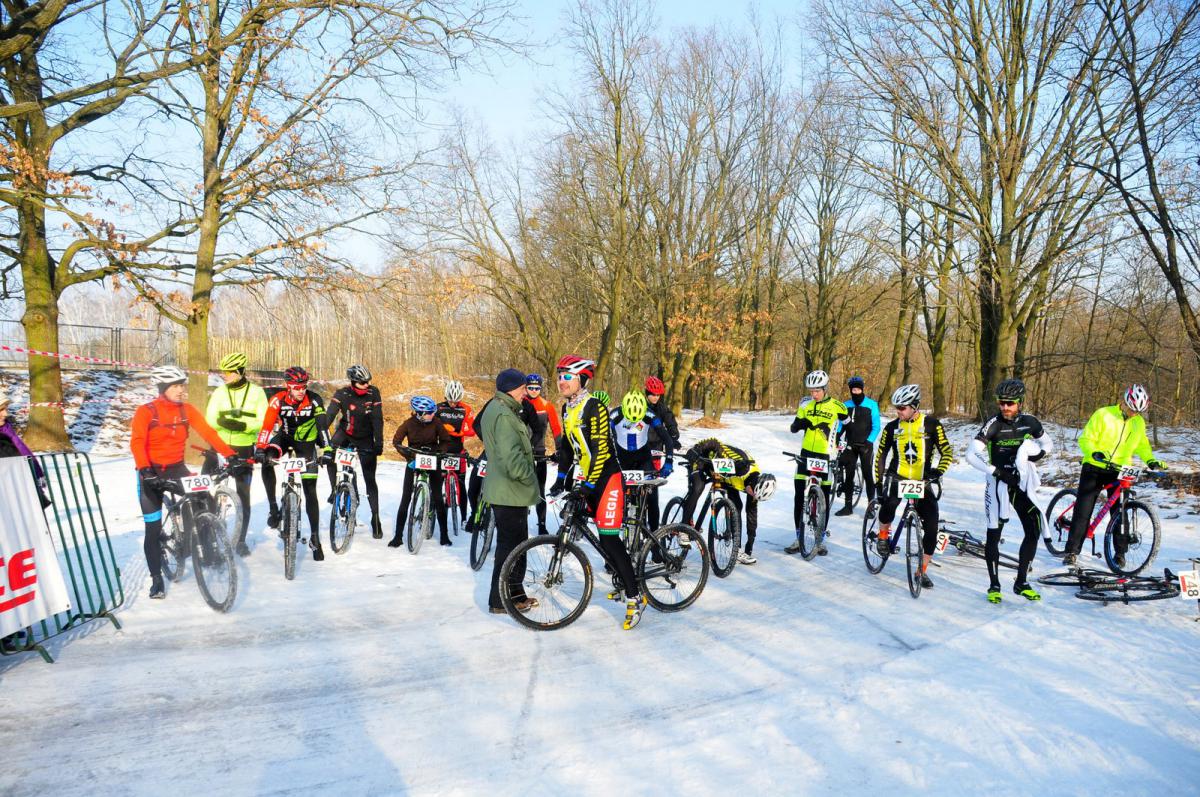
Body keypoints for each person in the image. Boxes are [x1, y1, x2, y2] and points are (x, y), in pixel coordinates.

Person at [550, 355, 644, 630]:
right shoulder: (567, 409)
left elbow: (601, 449)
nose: (561, 381)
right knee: (587, 528)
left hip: (607, 478)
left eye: (567, 376)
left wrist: (589, 485)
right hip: (589, 477)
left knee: (609, 538)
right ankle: (622, 577)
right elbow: (567, 449)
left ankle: (635, 596)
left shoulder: (595, 407)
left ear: (582, 379)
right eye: (559, 376)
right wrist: (561, 479)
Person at [132, 366, 237, 599]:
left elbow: (208, 433)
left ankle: (205, 547)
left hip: (177, 469)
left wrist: (229, 454)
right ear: (163, 388)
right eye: (176, 386)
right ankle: (157, 579)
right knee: (153, 529)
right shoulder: (146, 411)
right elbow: (137, 442)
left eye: (183, 385)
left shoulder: (186, 410)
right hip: (151, 472)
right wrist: (145, 470)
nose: (182, 390)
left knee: (204, 499)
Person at [966, 379, 1053, 603]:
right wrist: (996, 472)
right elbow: (971, 455)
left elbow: (1048, 444)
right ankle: (994, 585)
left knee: (1034, 527)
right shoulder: (993, 424)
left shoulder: (1030, 422)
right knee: (994, 533)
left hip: (1020, 483)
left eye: (1010, 403)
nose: (1005, 407)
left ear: (1020, 402)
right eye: (1001, 403)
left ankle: (1021, 582)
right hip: (998, 483)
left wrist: (1037, 455)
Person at [1062, 384, 1165, 569]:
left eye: (1138, 411)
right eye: (1132, 409)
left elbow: (1142, 445)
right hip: (1095, 465)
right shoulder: (1103, 414)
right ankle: (1071, 552)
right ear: (1124, 401)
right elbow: (1086, 439)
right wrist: (1094, 452)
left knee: (1120, 512)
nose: (1134, 413)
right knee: (1084, 510)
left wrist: (1151, 460)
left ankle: (1119, 554)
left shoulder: (1138, 422)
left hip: (1120, 469)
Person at [872, 384, 954, 588]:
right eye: (896, 408)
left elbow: (947, 452)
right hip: (897, 476)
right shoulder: (892, 427)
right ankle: (883, 536)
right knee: (889, 504)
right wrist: (878, 482)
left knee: (932, 526)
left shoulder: (932, 425)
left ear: (915, 406)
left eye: (902, 408)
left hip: (922, 480)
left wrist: (938, 472)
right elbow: (881, 455)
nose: (898, 412)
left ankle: (922, 570)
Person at [477, 368, 540, 614]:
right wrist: (530, 476)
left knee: (514, 547)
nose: (526, 392)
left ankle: (514, 595)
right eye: (523, 388)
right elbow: (512, 459)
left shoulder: (498, 408)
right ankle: (500, 600)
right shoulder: (503, 414)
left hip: (506, 490)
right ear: (511, 389)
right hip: (510, 491)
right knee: (511, 549)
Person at [254, 366, 331, 561]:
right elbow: (267, 425)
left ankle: (315, 537)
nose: (301, 391)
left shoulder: (314, 399)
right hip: (285, 438)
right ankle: (273, 507)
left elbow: (322, 426)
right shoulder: (278, 399)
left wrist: (327, 449)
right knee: (267, 459)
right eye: (297, 387)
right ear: (288, 386)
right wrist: (261, 448)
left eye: (304, 386)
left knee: (310, 489)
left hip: (306, 443)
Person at [205, 352, 268, 556]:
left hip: (243, 446)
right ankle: (206, 536)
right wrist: (221, 422)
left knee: (243, 496)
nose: (225, 376)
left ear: (241, 371)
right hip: (219, 445)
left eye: (230, 372)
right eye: (224, 372)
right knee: (204, 487)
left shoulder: (257, 393)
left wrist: (244, 426)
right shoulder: (219, 392)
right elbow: (209, 418)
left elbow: (264, 420)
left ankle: (240, 540)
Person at [681, 438, 776, 565]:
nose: (752, 496)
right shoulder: (741, 464)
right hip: (703, 459)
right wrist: (697, 449)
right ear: (754, 484)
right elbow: (714, 442)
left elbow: (751, 515)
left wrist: (749, 545)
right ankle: (682, 529)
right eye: (753, 493)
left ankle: (737, 550)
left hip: (724, 477)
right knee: (698, 487)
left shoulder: (754, 490)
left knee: (737, 507)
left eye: (755, 496)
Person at [785, 370, 848, 555]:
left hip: (825, 455)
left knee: (825, 498)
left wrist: (841, 441)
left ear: (825, 388)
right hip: (806, 454)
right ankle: (798, 537)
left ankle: (820, 540)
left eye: (817, 391)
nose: (814, 394)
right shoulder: (805, 404)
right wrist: (800, 424)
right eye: (811, 391)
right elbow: (794, 427)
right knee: (798, 496)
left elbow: (849, 426)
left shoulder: (838, 406)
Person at [321, 364, 385, 538]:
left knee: (370, 478)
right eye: (363, 382)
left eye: (368, 381)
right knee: (329, 455)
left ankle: (375, 518)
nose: (367, 384)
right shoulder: (342, 394)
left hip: (366, 437)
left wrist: (379, 442)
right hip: (346, 433)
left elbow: (377, 419)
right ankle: (334, 489)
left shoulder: (373, 392)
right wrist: (321, 436)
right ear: (353, 382)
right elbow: (329, 416)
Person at [390, 395, 452, 547]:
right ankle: (398, 536)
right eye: (429, 412)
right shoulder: (408, 424)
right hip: (414, 459)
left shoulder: (436, 422)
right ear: (420, 413)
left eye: (433, 412)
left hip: (433, 459)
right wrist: (408, 455)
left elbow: (446, 440)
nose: (433, 414)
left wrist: (440, 452)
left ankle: (444, 535)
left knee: (438, 498)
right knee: (406, 498)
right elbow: (397, 441)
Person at [610, 390, 675, 531]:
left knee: (652, 497)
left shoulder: (649, 414)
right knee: (614, 494)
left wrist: (669, 462)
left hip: (643, 458)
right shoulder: (615, 415)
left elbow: (667, 439)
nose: (634, 422)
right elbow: (603, 437)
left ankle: (654, 535)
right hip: (622, 458)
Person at [834, 375, 880, 517]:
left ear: (862, 389)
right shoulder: (845, 405)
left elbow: (876, 426)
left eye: (858, 389)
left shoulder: (871, 404)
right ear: (850, 390)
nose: (856, 392)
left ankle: (871, 508)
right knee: (849, 475)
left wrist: (869, 441)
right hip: (850, 445)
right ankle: (848, 507)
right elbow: (841, 424)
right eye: (853, 390)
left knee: (868, 475)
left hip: (866, 445)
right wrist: (837, 436)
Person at [522, 373, 561, 534]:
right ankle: (520, 525)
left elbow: (556, 428)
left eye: (536, 388)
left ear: (540, 389)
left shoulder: (546, 405)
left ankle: (542, 526)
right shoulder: (519, 403)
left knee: (540, 490)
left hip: (539, 452)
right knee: (519, 490)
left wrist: (559, 449)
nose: (533, 391)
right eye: (530, 388)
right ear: (525, 388)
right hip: (521, 452)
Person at [0, 390, 51, 509]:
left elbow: (21, 453)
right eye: (1, 409)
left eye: (6, 408)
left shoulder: (7, 430)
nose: (5, 414)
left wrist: (35, 472)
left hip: (22, 491)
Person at [436, 379, 475, 530]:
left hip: (458, 450)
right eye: (450, 400)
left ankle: (464, 517)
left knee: (461, 484)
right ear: (446, 396)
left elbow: (472, 430)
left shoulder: (466, 409)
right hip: (442, 450)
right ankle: (432, 511)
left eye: (456, 401)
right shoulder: (438, 408)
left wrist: (457, 432)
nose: (453, 404)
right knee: (437, 483)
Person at [644, 376, 680, 448]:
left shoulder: (662, 408)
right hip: (641, 444)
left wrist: (673, 436)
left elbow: (670, 422)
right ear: (647, 393)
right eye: (653, 394)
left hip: (657, 445)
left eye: (658, 395)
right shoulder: (640, 407)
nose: (656, 397)